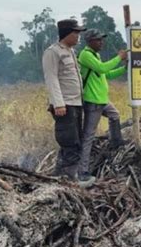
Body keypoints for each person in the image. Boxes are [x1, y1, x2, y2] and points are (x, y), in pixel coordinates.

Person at [42, 19, 95, 186]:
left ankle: (60, 175)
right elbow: (51, 78)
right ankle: (71, 179)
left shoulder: (71, 52)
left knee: (75, 139)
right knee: (69, 140)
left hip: (75, 102)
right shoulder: (53, 52)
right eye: (76, 32)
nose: (78, 36)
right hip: (64, 104)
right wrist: (58, 104)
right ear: (67, 33)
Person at [78, 29, 128, 181]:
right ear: (90, 41)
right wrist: (119, 57)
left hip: (102, 100)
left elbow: (107, 74)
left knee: (115, 115)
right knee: (88, 136)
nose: (101, 42)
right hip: (93, 101)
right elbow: (102, 68)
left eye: (102, 39)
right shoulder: (85, 55)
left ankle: (116, 142)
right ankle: (83, 172)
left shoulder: (96, 55)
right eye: (98, 40)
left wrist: (124, 68)